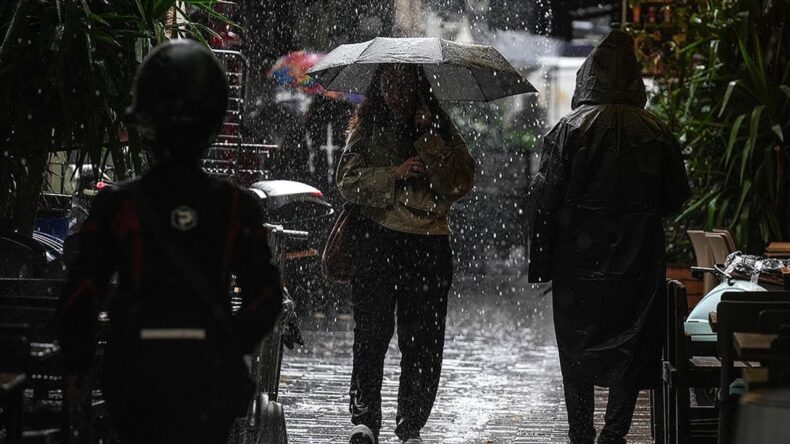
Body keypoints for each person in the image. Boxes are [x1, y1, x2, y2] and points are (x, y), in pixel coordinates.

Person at [56, 40, 282, 444]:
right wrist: (226, 345)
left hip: (134, 374)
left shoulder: (118, 204)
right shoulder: (235, 208)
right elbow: (265, 297)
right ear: (213, 125)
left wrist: (77, 367)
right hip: (209, 380)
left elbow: (81, 294)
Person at [527, 30, 691, 444]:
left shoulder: (567, 131)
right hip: (638, 262)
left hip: (577, 265)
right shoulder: (657, 132)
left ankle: (580, 430)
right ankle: (614, 432)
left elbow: (544, 201)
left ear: (588, 77)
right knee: (631, 347)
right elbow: (675, 198)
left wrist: (542, 264)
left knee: (576, 349)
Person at [336, 63, 475, 444]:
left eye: (402, 83)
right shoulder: (366, 129)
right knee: (371, 333)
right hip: (377, 239)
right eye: (386, 83)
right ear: (377, 86)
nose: (394, 92)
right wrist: (393, 173)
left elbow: (459, 181)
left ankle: (410, 424)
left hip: (427, 243)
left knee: (423, 341)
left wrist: (428, 137)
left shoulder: (439, 127)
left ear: (418, 86)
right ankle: (365, 419)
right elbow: (346, 180)